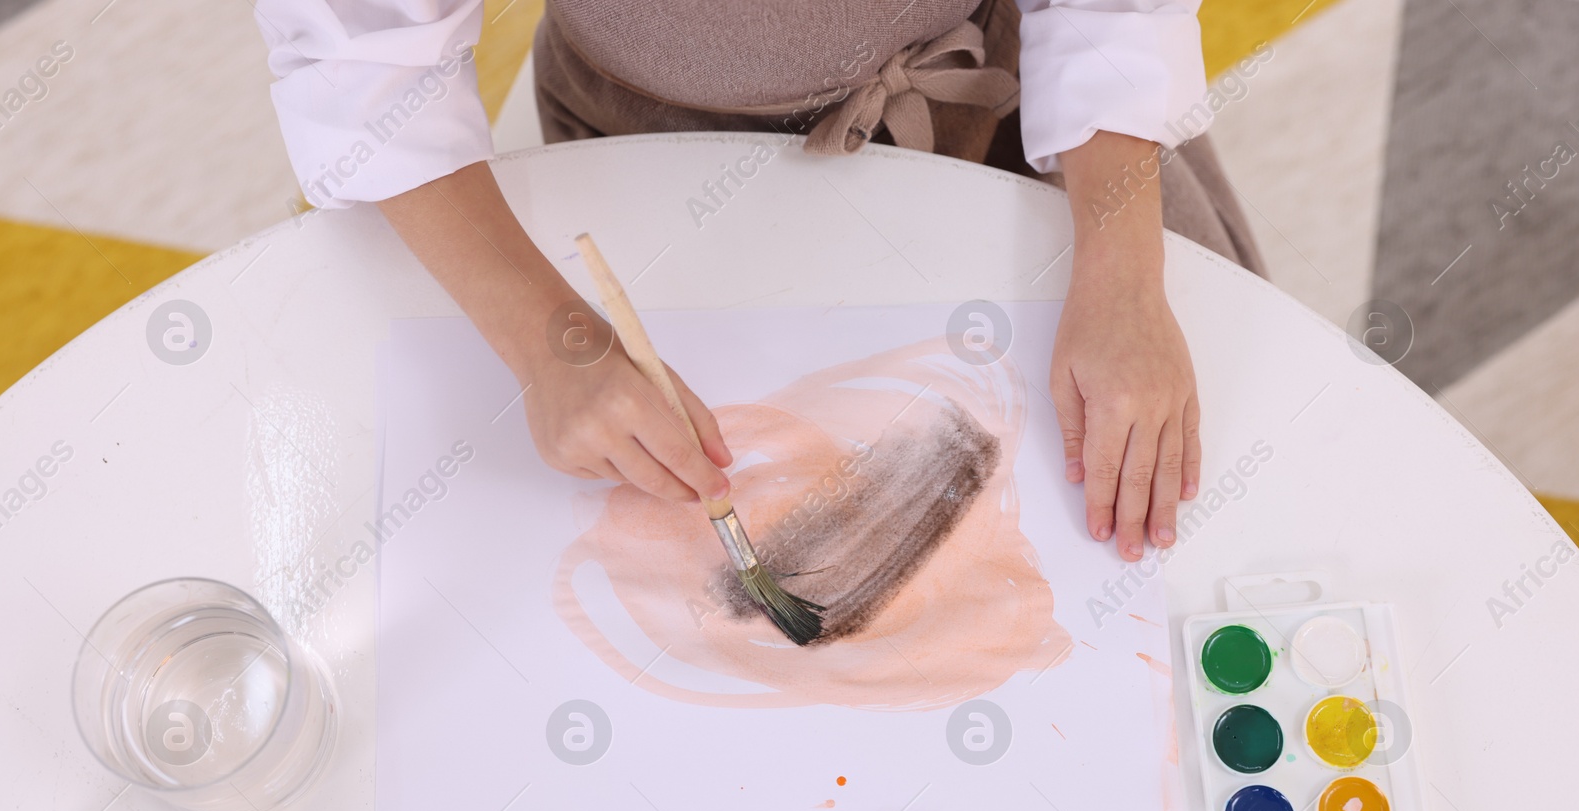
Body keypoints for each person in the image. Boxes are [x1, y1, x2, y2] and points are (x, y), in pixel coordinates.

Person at [256, 0, 1263, 563]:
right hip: (648, 144)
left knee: (1226, 494)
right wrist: (549, 340)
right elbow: (367, 62)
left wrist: (1125, 276)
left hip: (1014, 107)